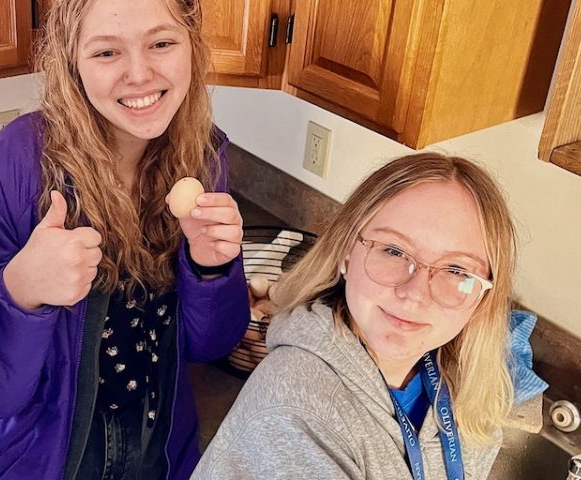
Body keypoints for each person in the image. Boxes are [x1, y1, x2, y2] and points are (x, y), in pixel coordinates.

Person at [0, 0, 250, 478]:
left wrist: (211, 269)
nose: (139, 74)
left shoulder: (202, 158)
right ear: (71, 60)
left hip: (159, 454)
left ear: (193, 47)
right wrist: (20, 292)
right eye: (106, 53)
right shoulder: (9, 173)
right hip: (34, 462)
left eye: (161, 43)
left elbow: (208, 346)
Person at [194, 153, 517, 480]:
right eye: (394, 251)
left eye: (455, 269)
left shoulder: (467, 384)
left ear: (484, 294)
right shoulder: (295, 411)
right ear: (346, 250)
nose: (415, 293)